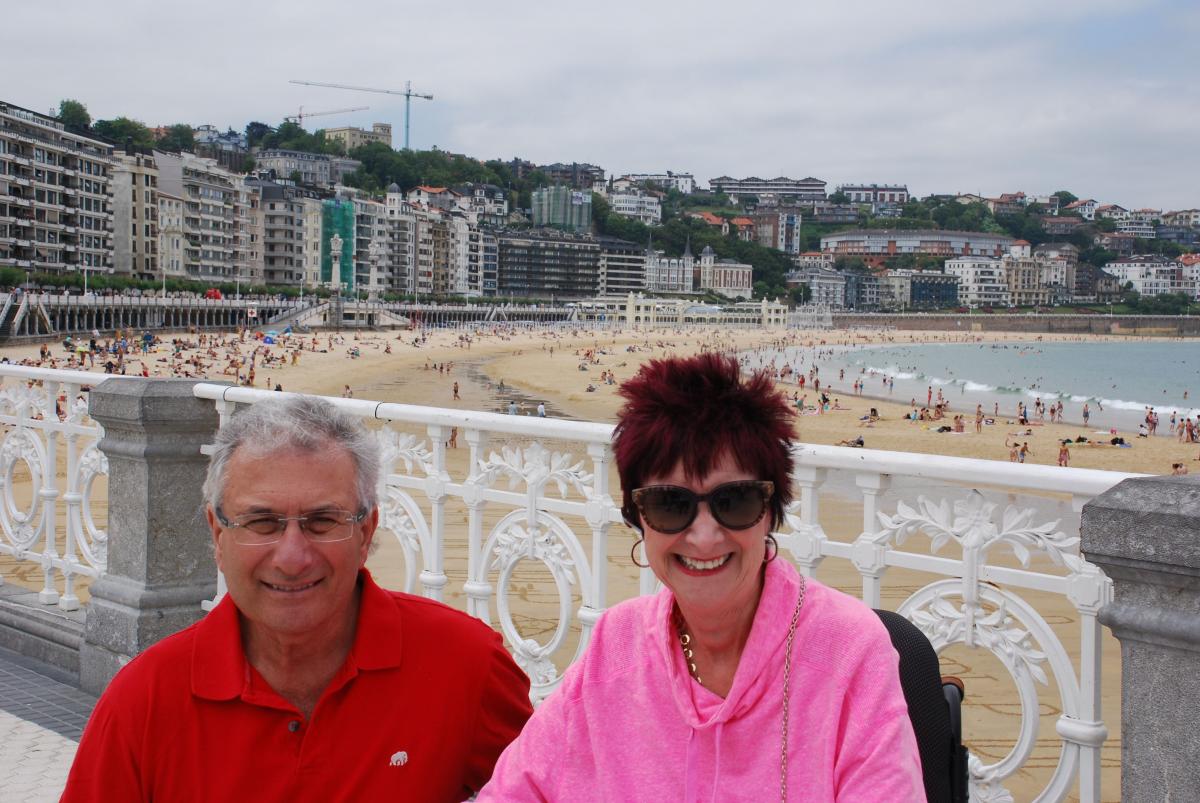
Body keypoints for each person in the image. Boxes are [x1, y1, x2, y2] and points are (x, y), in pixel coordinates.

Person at [479, 353, 922, 801]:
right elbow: (517, 787)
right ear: (639, 519)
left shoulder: (847, 650)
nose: (705, 537)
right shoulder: (616, 644)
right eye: (671, 505)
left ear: (769, 513)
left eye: (735, 502)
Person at [62, 396, 532, 802]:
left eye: (323, 521)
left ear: (365, 532)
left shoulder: (467, 665)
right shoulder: (143, 701)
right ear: (217, 534)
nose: (291, 557)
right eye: (262, 522)